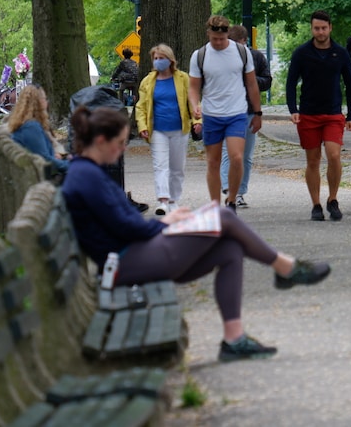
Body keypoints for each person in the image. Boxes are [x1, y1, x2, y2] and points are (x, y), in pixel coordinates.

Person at [62, 105, 331, 362]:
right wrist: (167, 224)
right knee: (224, 215)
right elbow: (128, 227)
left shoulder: (88, 172)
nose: (122, 150)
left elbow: (125, 223)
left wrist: (170, 222)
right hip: (124, 263)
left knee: (230, 249)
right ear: (100, 140)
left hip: (133, 255)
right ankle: (285, 268)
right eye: (119, 143)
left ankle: (234, 339)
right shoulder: (87, 177)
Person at [287, 10, 351, 221]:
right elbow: (291, 83)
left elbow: (350, 85)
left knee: (334, 156)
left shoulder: (341, 53)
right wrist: (293, 110)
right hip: (308, 114)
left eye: (323, 28)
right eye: (316, 28)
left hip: (333, 113)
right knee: (313, 161)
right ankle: (316, 204)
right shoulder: (302, 53)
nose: (320, 32)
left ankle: (332, 199)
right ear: (312, 29)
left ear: (330, 28)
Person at [188, 15, 263, 211]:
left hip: (237, 112)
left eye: (221, 39)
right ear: (208, 34)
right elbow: (193, 87)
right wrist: (195, 105)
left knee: (237, 157)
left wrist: (258, 112)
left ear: (227, 34)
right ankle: (214, 205)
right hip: (212, 114)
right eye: (214, 39)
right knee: (213, 161)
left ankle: (231, 199)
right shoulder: (200, 55)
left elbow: (252, 83)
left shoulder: (241, 52)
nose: (218, 43)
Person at [135, 44, 200, 216]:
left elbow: (193, 101)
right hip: (158, 130)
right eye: (155, 58)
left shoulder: (182, 78)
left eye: (161, 58)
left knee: (177, 167)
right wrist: (142, 126)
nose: (158, 61)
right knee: (160, 165)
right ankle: (163, 200)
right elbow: (141, 107)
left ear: (170, 60)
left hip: (180, 129)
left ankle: (174, 200)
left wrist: (197, 120)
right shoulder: (148, 82)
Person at [220, 24, 272, 209]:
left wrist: (250, 80)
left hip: (249, 110)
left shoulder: (256, 57)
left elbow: (267, 81)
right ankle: (228, 189)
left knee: (246, 155)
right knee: (229, 152)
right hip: (228, 110)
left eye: (237, 43)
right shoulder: (222, 58)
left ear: (245, 41)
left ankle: (240, 191)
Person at [9, 85, 70, 174]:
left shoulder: (24, 124)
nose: (46, 102)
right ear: (39, 102)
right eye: (45, 99)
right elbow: (45, 159)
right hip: (41, 180)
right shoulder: (31, 127)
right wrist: (71, 165)